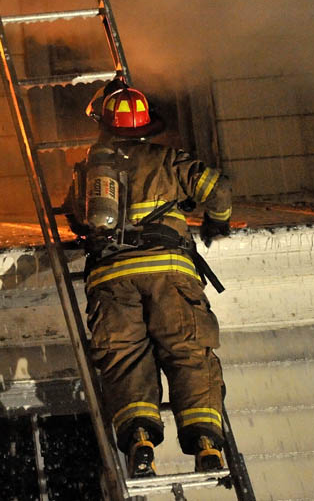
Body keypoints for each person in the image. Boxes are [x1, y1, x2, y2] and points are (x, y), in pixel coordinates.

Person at [63, 77, 232, 478]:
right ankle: (205, 441)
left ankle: (139, 438)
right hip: (169, 274)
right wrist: (216, 222)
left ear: (105, 125)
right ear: (145, 127)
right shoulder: (168, 160)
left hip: (111, 278)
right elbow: (219, 189)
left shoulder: (89, 170)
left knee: (124, 360)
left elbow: (76, 218)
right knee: (189, 355)